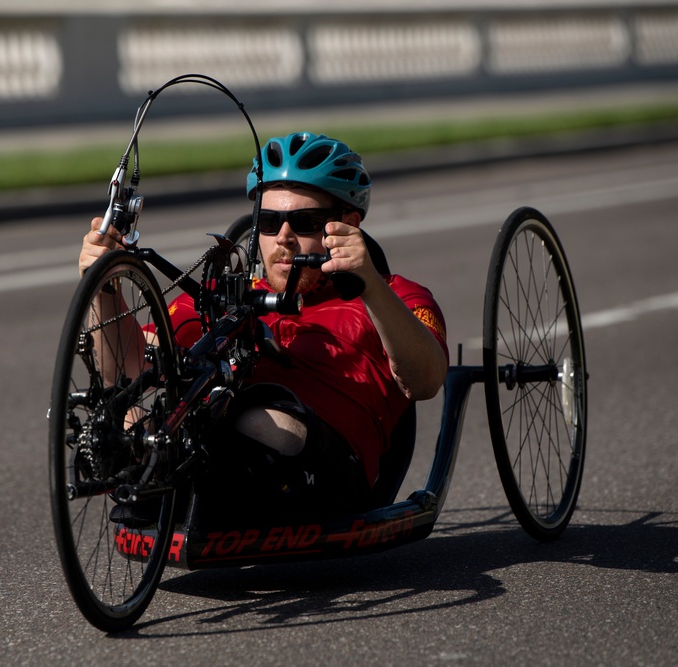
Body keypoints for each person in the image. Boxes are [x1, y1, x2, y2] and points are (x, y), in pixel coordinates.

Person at [80, 131, 449, 521]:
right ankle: (176, 484)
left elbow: (425, 381)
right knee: (124, 418)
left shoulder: (396, 296)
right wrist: (105, 285)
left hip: (332, 471)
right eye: (270, 222)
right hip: (219, 446)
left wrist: (370, 284)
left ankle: (175, 484)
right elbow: (129, 370)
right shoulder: (229, 295)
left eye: (304, 222)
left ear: (348, 225)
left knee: (254, 417)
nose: (283, 239)